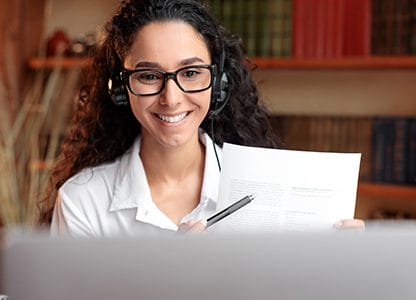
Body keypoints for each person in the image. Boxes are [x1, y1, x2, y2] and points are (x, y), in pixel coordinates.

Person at [39, 0, 363, 236]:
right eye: (149, 76)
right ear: (121, 88)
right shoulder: (83, 201)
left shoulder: (266, 192)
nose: (171, 98)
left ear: (219, 83)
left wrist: (341, 275)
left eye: (191, 72)